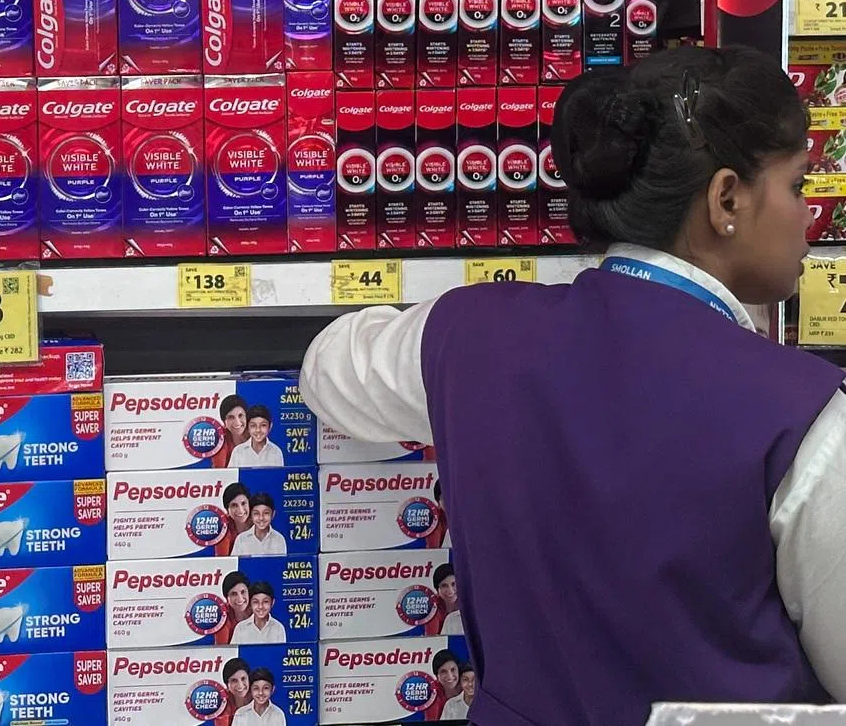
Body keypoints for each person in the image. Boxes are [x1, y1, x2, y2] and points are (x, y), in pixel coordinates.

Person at [301, 46, 846, 725]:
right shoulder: (805, 416)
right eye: (797, 186)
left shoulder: (473, 337)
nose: (810, 215)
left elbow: (327, 367)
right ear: (726, 199)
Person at [215, 482, 252, 557]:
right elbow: (221, 562)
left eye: (243, 503)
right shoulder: (223, 529)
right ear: (227, 510)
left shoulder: (258, 522)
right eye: (234, 505)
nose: (240, 510)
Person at [215, 570, 252, 645]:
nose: (240, 599)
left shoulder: (258, 609)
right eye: (234, 594)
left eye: (243, 592)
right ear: (227, 598)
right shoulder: (223, 616)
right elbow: (220, 650)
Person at [425, 649, 463, 721]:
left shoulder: (469, 686)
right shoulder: (433, 694)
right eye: (443, 672)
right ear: (437, 677)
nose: (450, 676)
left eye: (453, 669)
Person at [213, 395, 249, 468]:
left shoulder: (256, 434)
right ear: (224, 422)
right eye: (231, 417)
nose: (237, 422)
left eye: (240, 415)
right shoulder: (221, 439)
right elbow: (218, 471)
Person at [214, 657, 252, 726]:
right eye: (234, 680)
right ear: (227, 685)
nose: (240, 685)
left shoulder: (258, 697)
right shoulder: (222, 705)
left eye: (243, 679)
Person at [432, 563, 461, 637]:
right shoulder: (433, 612)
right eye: (444, 586)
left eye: (454, 584)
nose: (450, 591)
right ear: (437, 590)